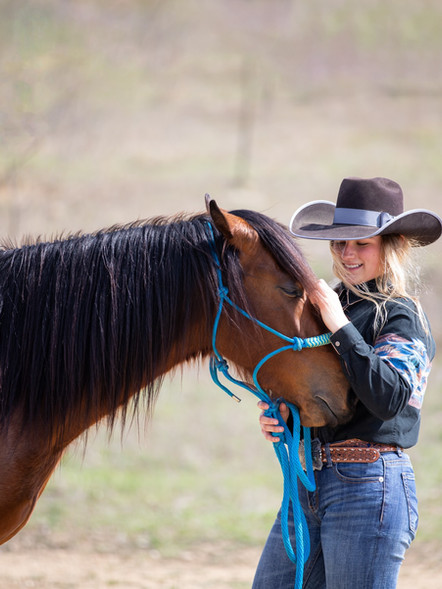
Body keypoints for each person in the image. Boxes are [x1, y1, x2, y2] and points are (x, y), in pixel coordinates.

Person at [253, 177, 442, 589]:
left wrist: (339, 325)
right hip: (308, 484)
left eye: (362, 243)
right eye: (340, 242)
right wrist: (287, 417)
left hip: (369, 486)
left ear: (392, 246)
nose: (347, 253)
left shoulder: (402, 315)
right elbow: (324, 399)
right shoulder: (324, 310)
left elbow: (388, 398)